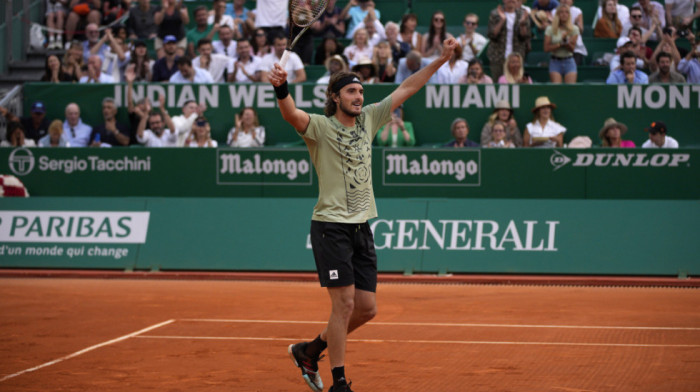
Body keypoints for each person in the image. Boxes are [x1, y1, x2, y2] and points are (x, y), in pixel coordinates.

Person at [269, 33, 459, 392]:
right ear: (335, 97)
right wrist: (281, 89)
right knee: (343, 304)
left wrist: (441, 61)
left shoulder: (370, 118)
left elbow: (407, 88)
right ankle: (340, 382)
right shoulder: (321, 128)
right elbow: (291, 114)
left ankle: (310, 350)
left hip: (361, 227)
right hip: (330, 227)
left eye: (361, 92)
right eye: (352, 92)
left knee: (366, 308)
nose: (359, 97)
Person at [487, 0, 532, 81]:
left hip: (516, 56)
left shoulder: (522, 14)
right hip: (497, 56)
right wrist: (502, 20)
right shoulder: (495, 14)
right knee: (498, 82)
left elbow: (525, 36)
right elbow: (492, 35)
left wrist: (522, 24)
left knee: (517, 82)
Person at [544, 4, 579, 83]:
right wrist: (560, 44)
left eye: (566, 12)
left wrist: (566, 42)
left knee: (570, 89)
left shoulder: (574, 29)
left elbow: (572, 49)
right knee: (557, 88)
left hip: (569, 60)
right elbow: (546, 48)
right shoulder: (550, 29)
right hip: (555, 61)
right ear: (558, 14)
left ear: (569, 15)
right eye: (561, 12)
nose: (564, 14)